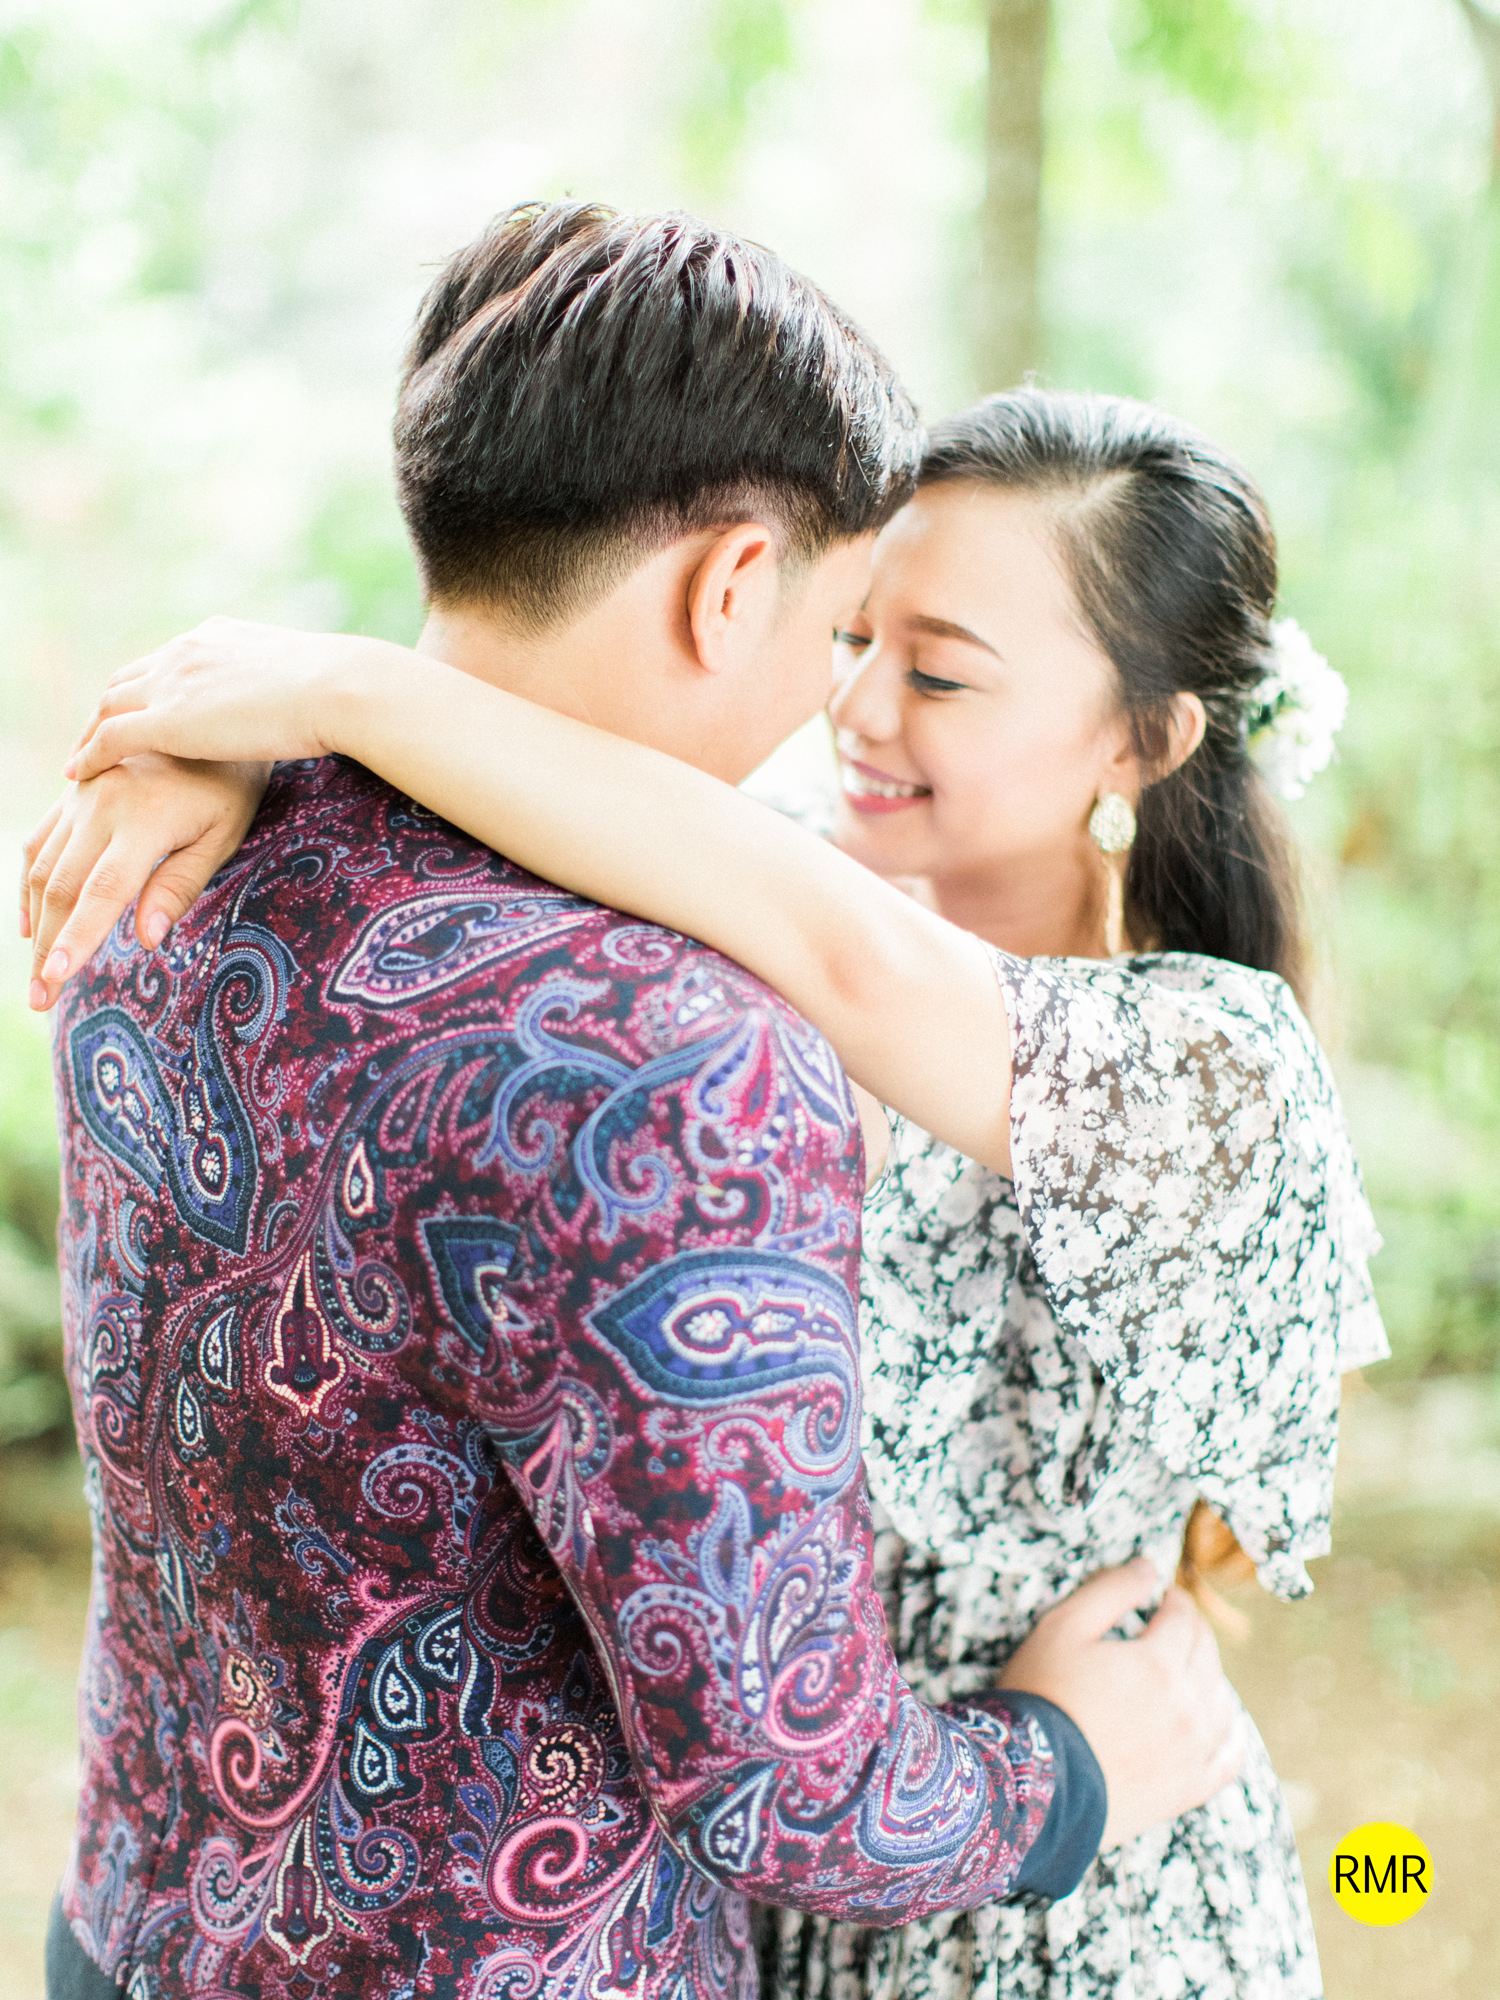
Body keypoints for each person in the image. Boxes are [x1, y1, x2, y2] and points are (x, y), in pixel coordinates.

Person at [21, 210, 1243, 2000]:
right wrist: (1068, 1766)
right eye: (840, 629)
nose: (841, 709)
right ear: (731, 586)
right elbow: (792, 1787)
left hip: (130, 1929)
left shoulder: (164, 851)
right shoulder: (680, 1054)